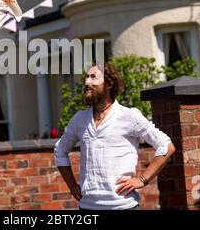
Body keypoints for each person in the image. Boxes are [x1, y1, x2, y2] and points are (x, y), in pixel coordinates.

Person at [54, 62, 176, 210]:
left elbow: (166, 146)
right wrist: (72, 186)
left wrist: (142, 179)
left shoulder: (129, 116)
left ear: (109, 84)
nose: (87, 82)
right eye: (86, 77)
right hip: (87, 207)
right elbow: (60, 150)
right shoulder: (79, 119)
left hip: (123, 206)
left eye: (93, 77)